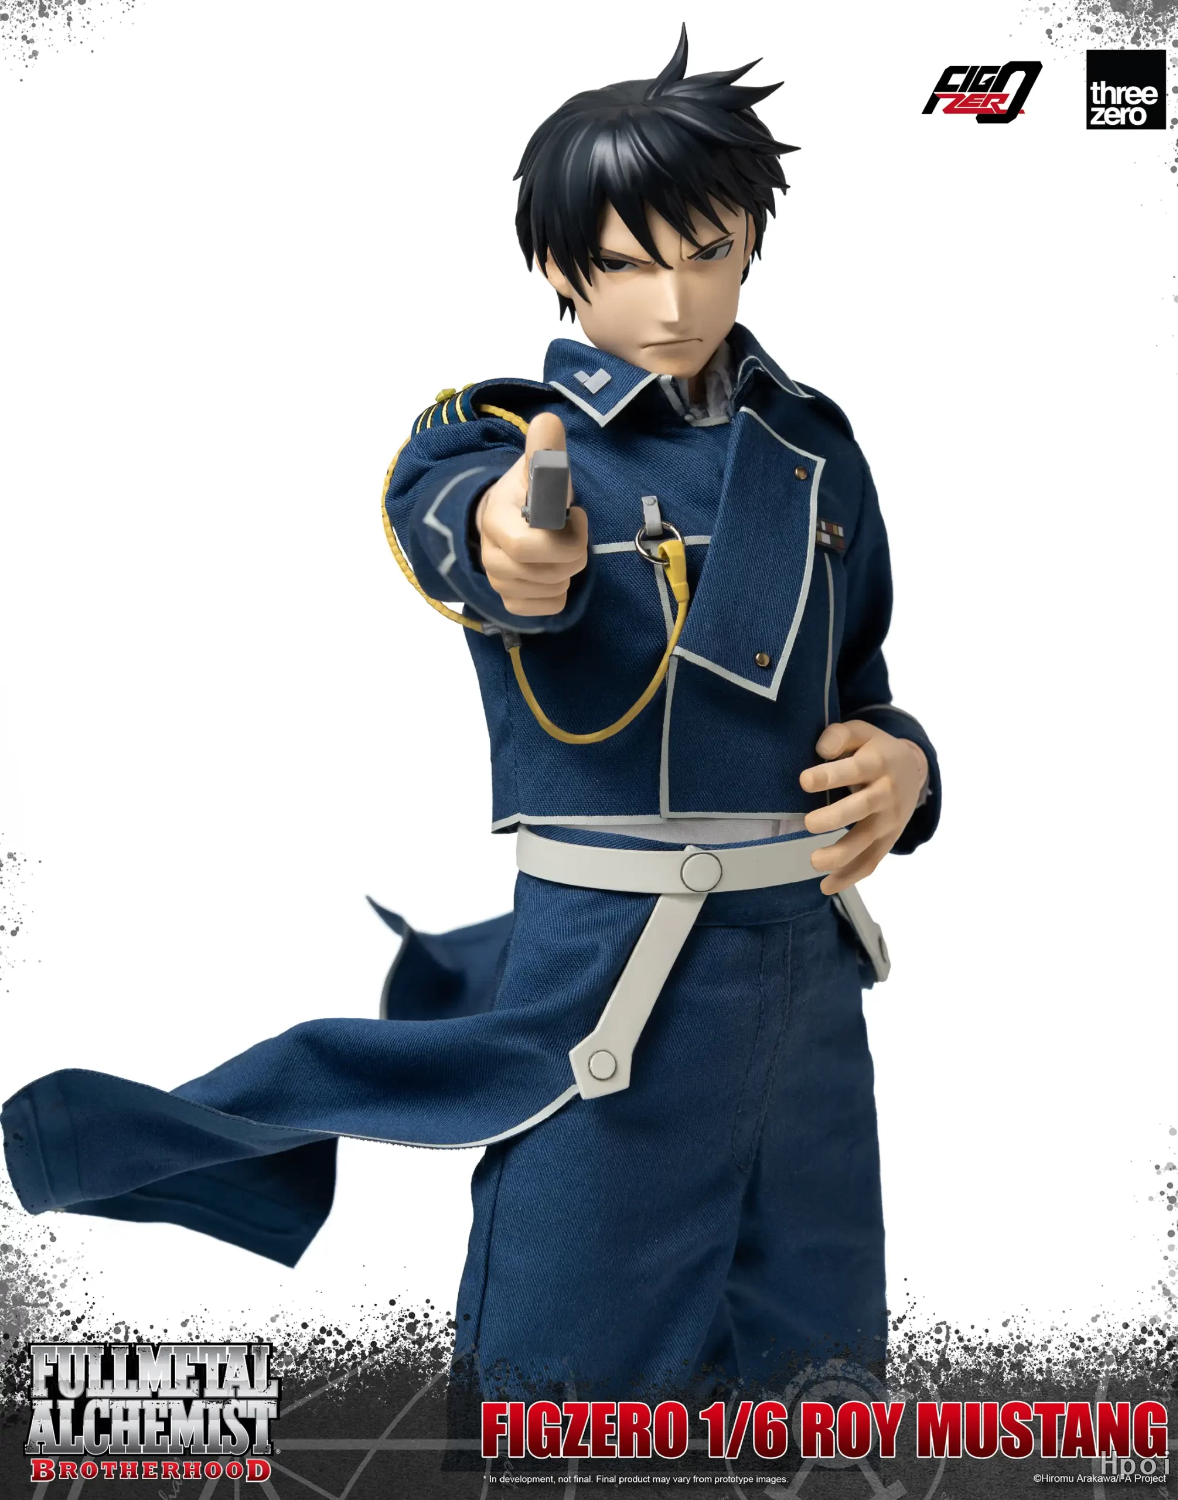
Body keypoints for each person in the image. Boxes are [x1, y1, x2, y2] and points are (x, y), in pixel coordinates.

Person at [1, 27, 939, 1403]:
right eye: (627, 261)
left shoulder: (818, 449)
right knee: (558, 1389)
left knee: (823, 1389)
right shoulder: (499, 436)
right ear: (561, 265)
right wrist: (515, 541)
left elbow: (863, 684)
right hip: (616, 969)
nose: (676, 296)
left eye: (709, 251)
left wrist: (908, 770)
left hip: (808, 985)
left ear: (751, 242)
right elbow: (465, 532)